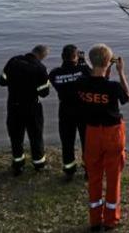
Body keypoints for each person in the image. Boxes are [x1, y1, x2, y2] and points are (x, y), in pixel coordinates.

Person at [75, 43, 129, 231]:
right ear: (109, 62)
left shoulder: (81, 83)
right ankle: (110, 220)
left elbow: (95, 85)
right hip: (112, 133)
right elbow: (127, 97)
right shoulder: (112, 86)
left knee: (94, 176)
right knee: (113, 177)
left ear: (91, 61)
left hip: (92, 132)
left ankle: (95, 219)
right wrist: (121, 72)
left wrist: (103, 69)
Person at [0, 44, 51, 176]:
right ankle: (38, 165)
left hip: (14, 106)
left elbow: (2, 81)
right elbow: (44, 92)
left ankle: (18, 165)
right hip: (32, 107)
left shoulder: (13, 61)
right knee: (36, 136)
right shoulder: (40, 68)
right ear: (42, 56)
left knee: (16, 136)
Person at [49, 44, 91, 177]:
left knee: (67, 141)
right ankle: (88, 171)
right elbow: (94, 78)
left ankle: (69, 170)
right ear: (76, 56)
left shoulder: (54, 73)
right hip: (83, 110)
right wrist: (84, 62)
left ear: (62, 57)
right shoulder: (83, 69)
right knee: (87, 142)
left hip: (65, 110)